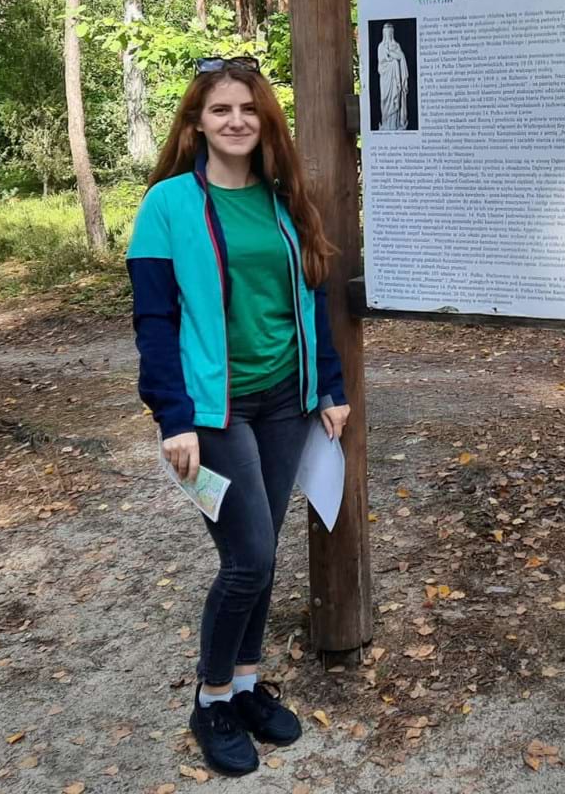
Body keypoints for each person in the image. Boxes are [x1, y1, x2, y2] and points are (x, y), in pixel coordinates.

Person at [127, 56, 351, 777]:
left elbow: (312, 300)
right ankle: (212, 699)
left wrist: (332, 387)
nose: (236, 121)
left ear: (266, 122)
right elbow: (154, 319)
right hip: (214, 408)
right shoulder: (167, 204)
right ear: (197, 122)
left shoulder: (284, 199)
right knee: (249, 559)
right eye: (221, 110)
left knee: (262, 550)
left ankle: (247, 685)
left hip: (286, 397)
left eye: (248, 110)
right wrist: (173, 417)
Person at [376, 23, 410, 131]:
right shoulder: (381, 46)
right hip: (386, 78)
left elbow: (401, 57)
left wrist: (391, 54)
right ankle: (386, 124)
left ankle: (395, 125)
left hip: (395, 79)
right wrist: (391, 58)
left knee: (396, 101)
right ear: (383, 33)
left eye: (390, 32)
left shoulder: (396, 45)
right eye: (387, 32)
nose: (389, 35)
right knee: (385, 100)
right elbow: (381, 63)